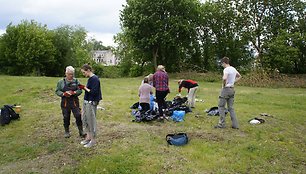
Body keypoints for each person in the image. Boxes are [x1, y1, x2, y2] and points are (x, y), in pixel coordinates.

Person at [55, 66, 85, 138]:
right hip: (65, 102)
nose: (70, 76)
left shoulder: (76, 81)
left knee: (78, 115)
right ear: (66, 73)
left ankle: (81, 131)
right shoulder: (61, 82)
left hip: (74, 101)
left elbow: (80, 90)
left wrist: (74, 92)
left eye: (72, 74)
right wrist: (63, 94)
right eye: (69, 74)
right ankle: (67, 131)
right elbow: (57, 91)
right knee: (66, 117)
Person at [79, 64, 102, 148]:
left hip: (91, 102)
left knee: (91, 121)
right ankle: (88, 138)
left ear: (88, 70)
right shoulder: (90, 79)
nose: (83, 74)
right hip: (86, 102)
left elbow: (94, 92)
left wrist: (84, 87)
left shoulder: (95, 79)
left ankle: (93, 140)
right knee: (85, 120)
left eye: (84, 72)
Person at [215, 57, 241, 129]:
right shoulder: (233, 69)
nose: (222, 65)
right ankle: (235, 125)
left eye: (221, 64)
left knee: (221, 107)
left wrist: (224, 85)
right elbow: (239, 76)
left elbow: (224, 78)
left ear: (224, 63)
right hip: (232, 89)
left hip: (226, 90)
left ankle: (221, 124)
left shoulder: (226, 69)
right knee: (231, 108)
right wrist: (233, 82)